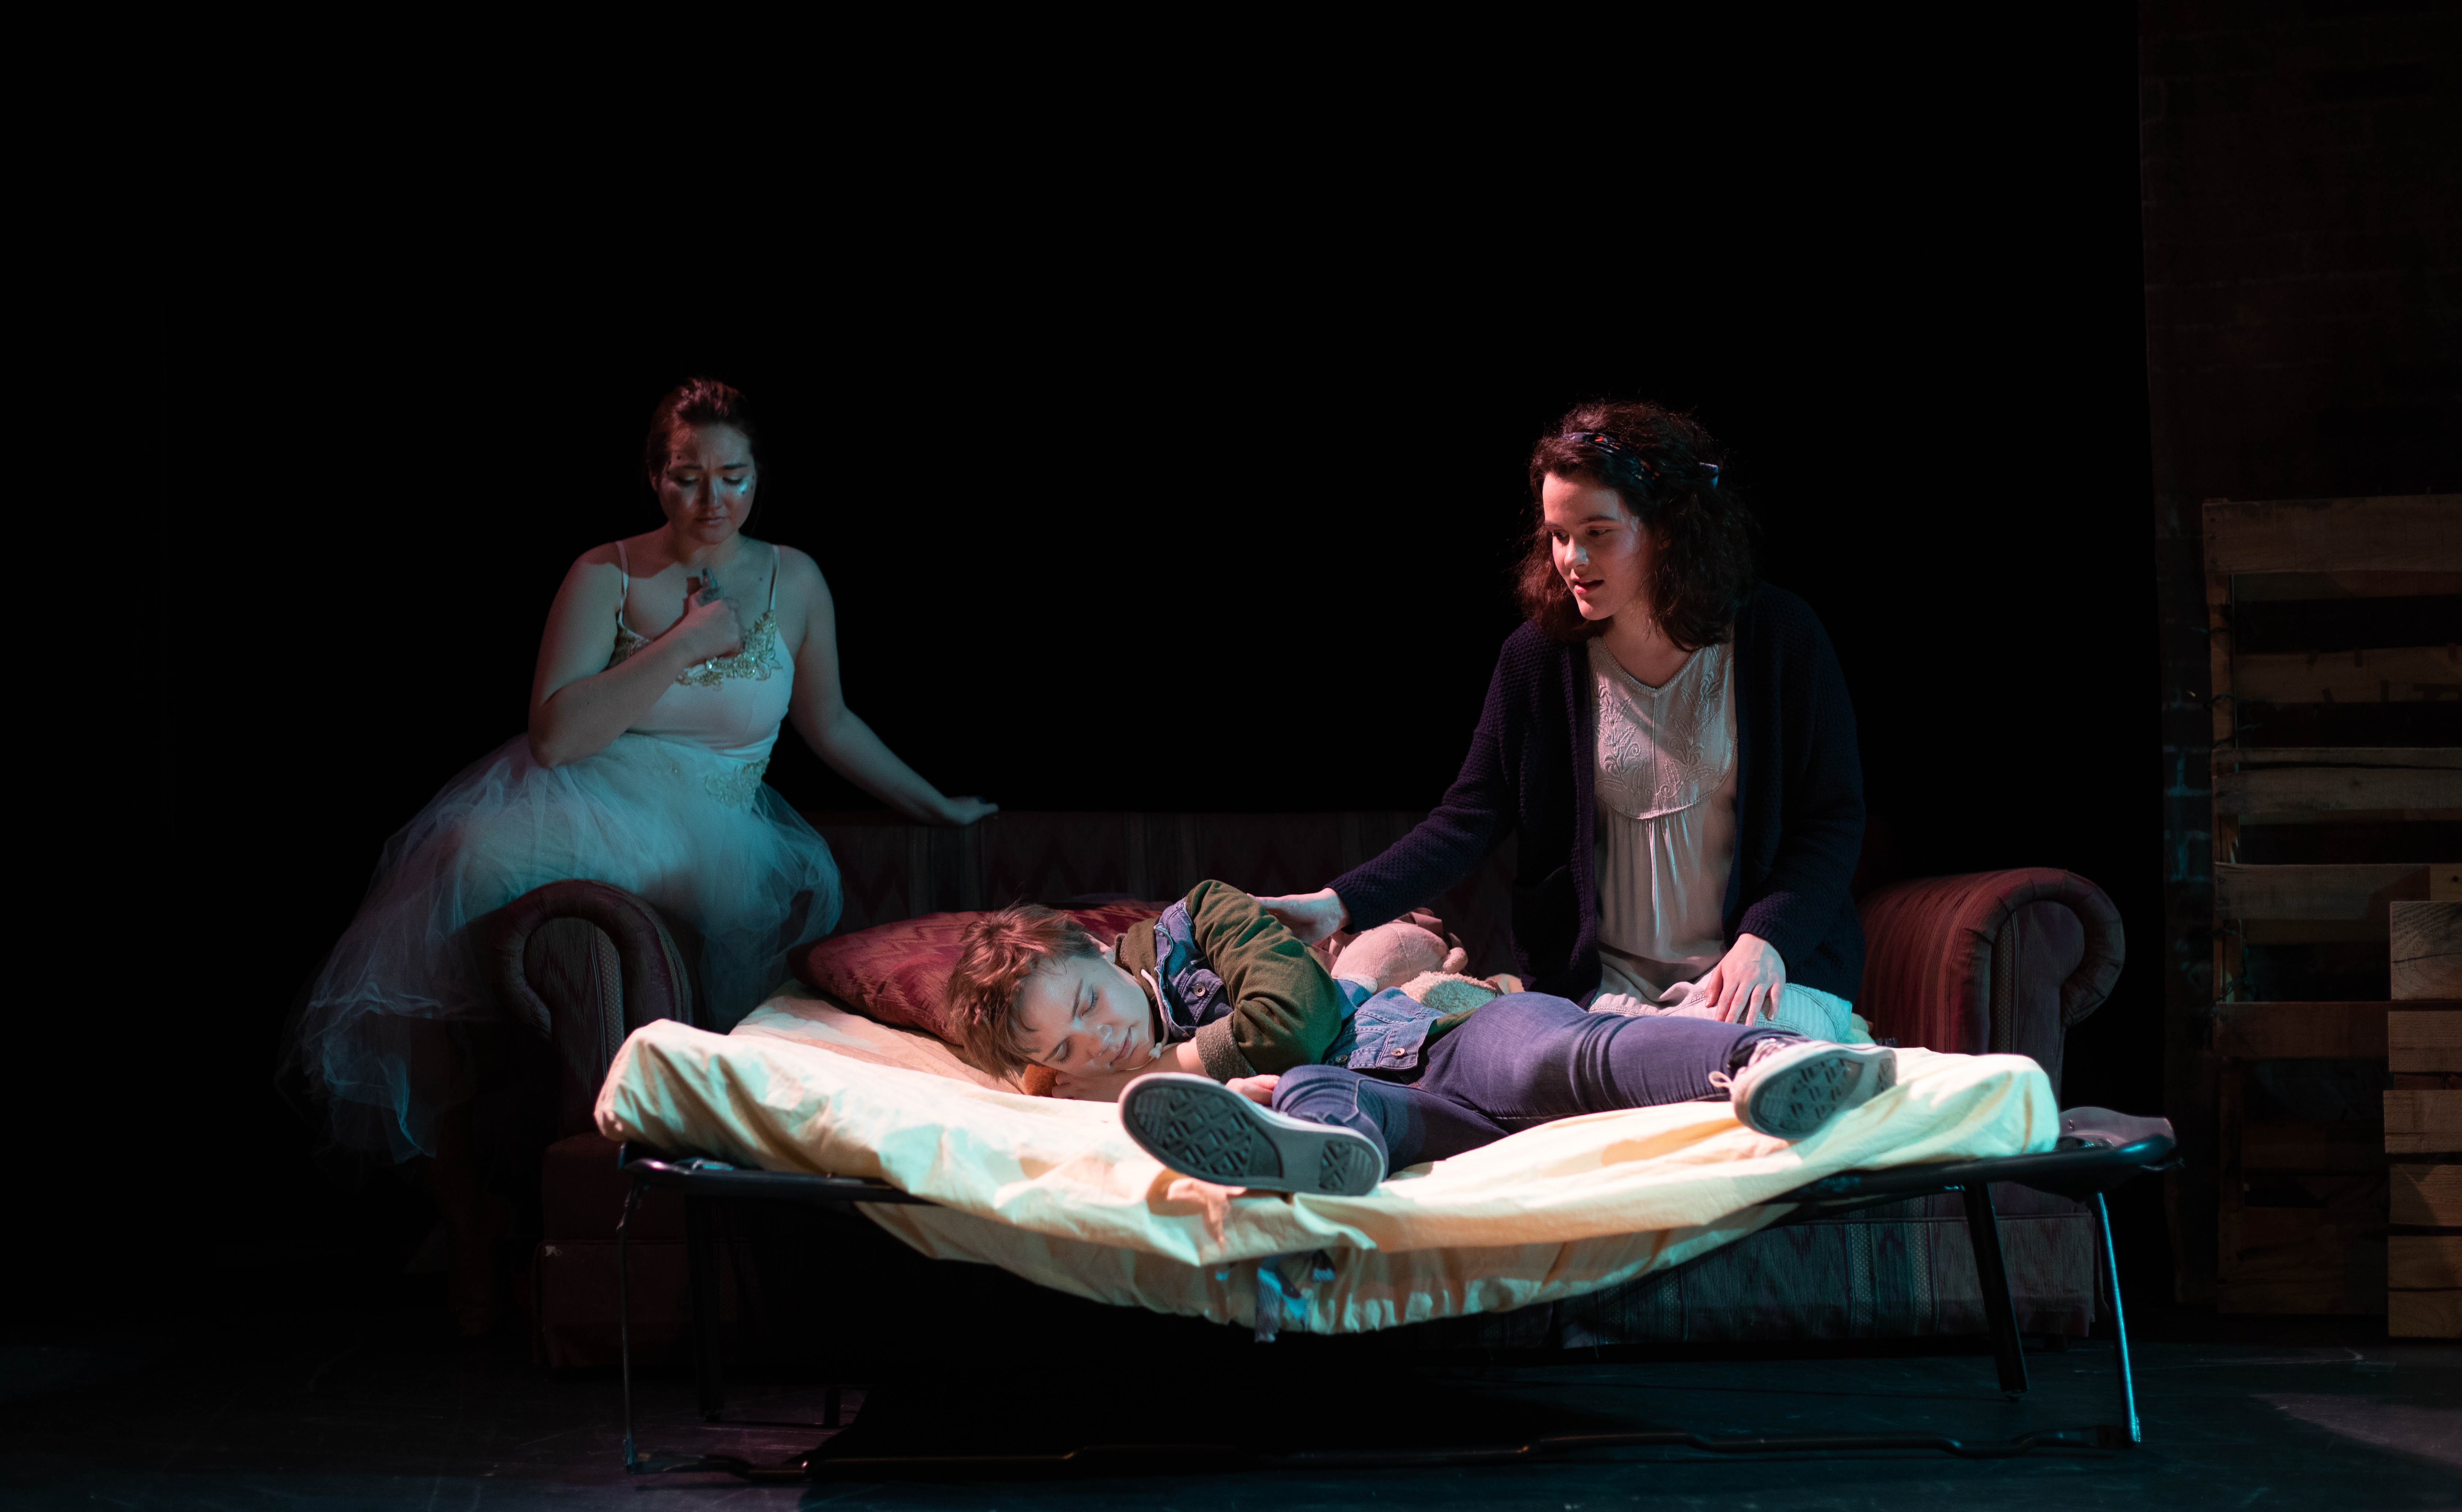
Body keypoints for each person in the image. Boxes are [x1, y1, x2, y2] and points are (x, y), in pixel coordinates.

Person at [292, 378, 995, 1176]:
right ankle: (463, 1186)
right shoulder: (607, 572)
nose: (713, 500)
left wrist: (934, 804)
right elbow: (555, 739)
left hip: (715, 832)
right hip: (589, 802)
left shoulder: (794, 579)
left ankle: (624, 1163)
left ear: (758, 477)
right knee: (462, 861)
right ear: (656, 478)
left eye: (733, 477)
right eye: (688, 477)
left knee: (501, 873)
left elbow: (830, 723)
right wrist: (687, 641)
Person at [1258, 402, 1866, 1042]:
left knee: (1734, 1053)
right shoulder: (1539, 658)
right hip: (1609, 992)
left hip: (1758, 977)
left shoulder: (1780, 637)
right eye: (1558, 534)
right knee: (1595, 1062)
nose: (1572, 558)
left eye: (1598, 532)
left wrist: (1768, 938)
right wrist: (1338, 904)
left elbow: (1831, 818)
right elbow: (1467, 819)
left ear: (1667, 528)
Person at [943, 883, 1896, 1196]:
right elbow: (1042, 1072)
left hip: (1439, 1038)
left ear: (1098, 949)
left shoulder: (1197, 922)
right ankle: (1320, 1157)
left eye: (1086, 1001)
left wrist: (1179, 1058)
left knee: (1553, 1057)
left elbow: (1301, 1014)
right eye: (1065, 1047)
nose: (1099, 1040)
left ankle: (1767, 1058)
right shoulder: (1092, 1085)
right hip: (1407, 1111)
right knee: (1319, 1097)